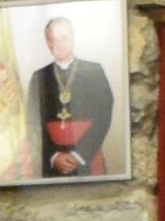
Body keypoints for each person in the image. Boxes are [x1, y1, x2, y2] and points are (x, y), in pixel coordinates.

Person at [28, 13, 114, 179]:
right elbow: (32, 122)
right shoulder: (39, 77)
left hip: (88, 157)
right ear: (48, 43)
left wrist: (79, 155)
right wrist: (54, 156)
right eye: (54, 39)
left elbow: (103, 116)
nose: (60, 44)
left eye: (64, 37)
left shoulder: (94, 71)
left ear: (73, 38)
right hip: (52, 162)